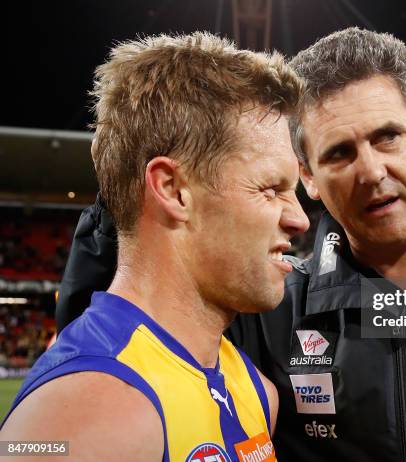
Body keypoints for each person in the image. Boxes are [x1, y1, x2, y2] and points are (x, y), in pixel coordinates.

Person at [54, 28, 406, 461]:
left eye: (387, 136)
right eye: (339, 153)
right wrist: (131, 181)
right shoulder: (271, 307)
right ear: (309, 178)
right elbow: (120, 351)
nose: (370, 170)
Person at [1, 31, 309, 462]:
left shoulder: (254, 389)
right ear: (173, 189)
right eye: (271, 188)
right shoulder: (81, 422)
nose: (299, 218)